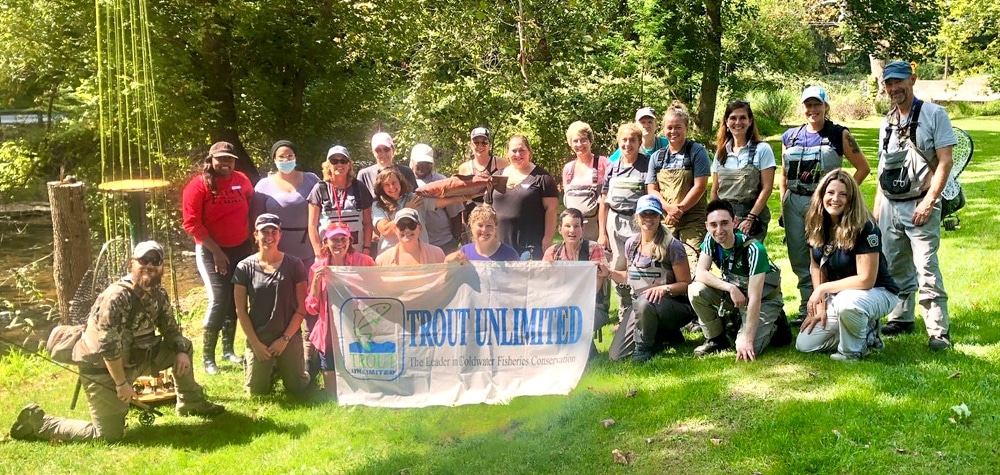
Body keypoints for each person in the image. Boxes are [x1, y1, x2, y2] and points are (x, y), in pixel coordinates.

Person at [9, 241, 224, 442]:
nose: (149, 265)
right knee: (107, 435)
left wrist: (181, 350)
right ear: (132, 264)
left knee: (184, 345)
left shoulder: (158, 294)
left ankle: (190, 402)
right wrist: (122, 384)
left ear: (162, 267)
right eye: (143, 260)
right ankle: (39, 422)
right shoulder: (116, 297)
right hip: (103, 367)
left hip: (138, 358)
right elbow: (108, 348)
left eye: (155, 261)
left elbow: (171, 330)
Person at [873, 61, 957, 350]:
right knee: (894, 262)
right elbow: (883, 167)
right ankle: (901, 316)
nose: (894, 88)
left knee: (926, 266)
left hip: (921, 202)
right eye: (889, 83)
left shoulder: (935, 114)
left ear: (912, 79)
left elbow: (945, 161)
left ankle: (938, 330)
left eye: (899, 82)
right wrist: (876, 210)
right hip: (890, 204)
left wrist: (929, 201)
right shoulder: (888, 121)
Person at [780, 86, 870, 324]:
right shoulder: (790, 136)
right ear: (803, 108)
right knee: (799, 256)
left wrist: (843, 196)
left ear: (825, 107)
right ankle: (805, 306)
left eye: (817, 105)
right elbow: (783, 174)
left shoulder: (838, 134)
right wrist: (783, 203)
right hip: (794, 202)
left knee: (823, 254)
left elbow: (863, 168)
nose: (812, 110)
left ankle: (830, 304)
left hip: (824, 205)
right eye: (808, 105)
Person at [795, 170, 899, 360]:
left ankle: (851, 353)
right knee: (805, 344)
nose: (836, 199)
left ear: (851, 199)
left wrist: (823, 289)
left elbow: (866, 280)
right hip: (839, 295)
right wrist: (820, 307)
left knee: (847, 303)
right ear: (821, 195)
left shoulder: (865, 227)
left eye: (843, 194)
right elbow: (816, 265)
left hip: (877, 292)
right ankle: (866, 334)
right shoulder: (816, 223)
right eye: (831, 192)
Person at [181, 141, 254, 375]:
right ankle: (208, 358)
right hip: (211, 250)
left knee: (236, 298)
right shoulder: (198, 186)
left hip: (240, 248)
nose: (225, 163)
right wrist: (217, 252)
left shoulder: (242, 180)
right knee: (219, 298)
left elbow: (250, 206)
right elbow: (191, 223)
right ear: (211, 161)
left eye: (229, 159)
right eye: (220, 159)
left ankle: (228, 350)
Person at [253, 141, 324, 378]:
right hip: (278, 252)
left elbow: (322, 210)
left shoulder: (312, 179)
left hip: (308, 249)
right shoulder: (263, 186)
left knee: (312, 301)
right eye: (281, 156)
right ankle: (279, 356)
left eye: (290, 155)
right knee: (283, 303)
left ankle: (313, 354)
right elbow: (256, 221)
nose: (286, 159)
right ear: (274, 159)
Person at [688, 200, 791, 361]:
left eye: (724, 223)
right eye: (713, 225)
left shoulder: (755, 249)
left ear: (734, 222)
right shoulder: (710, 239)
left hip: (763, 300)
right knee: (695, 290)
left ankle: (776, 324)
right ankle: (716, 338)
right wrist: (730, 288)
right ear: (707, 226)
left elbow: (755, 297)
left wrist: (747, 340)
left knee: (746, 351)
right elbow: (700, 273)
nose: (719, 230)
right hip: (737, 294)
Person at [604, 197, 696, 363]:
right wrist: (609, 272)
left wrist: (664, 289)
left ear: (660, 217)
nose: (648, 218)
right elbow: (630, 277)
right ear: (636, 217)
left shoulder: (672, 245)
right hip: (641, 307)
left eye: (653, 214)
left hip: (672, 305)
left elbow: (686, 284)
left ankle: (644, 347)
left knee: (646, 300)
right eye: (644, 214)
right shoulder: (631, 244)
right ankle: (665, 335)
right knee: (616, 355)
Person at [233, 214, 311, 395]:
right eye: (264, 232)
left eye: (273, 232)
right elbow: (241, 311)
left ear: (280, 234)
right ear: (255, 235)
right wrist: (255, 343)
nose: (269, 236)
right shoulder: (244, 267)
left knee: (297, 388)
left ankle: (306, 361)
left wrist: (284, 339)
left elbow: (301, 308)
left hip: (288, 336)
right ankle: (270, 367)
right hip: (259, 337)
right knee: (256, 392)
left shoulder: (295, 264)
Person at [305, 223, 376, 397]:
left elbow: (379, 286)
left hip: (358, 327)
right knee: (332, 393)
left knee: (362, 386)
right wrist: (316, 282)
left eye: (343, 239)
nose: (339, 243)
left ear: (350, 241)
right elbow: (311, 308)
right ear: (325, 242)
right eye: (334, 239)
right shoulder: (317, 268)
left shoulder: (363, 262)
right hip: (329, 332)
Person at [645, 101, 711, 267]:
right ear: (663, 129)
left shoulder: (697, 151)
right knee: (664, 263)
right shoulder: (657, 157)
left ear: (686, 128)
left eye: (678, 127)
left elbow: (700, 186)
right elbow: (651, 189)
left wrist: (680, 209)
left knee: (692, 263)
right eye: (669, 127)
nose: (673, 131)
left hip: (692, 219)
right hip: (666, 219)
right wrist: (669, 209)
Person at [598, 123, 650, 319]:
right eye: (624, 140)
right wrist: (602, 232)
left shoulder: (647, 164)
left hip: (638, 221)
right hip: (615, 220)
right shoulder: (613, 168)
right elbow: (603, 201)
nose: (628, 144)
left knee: (639, 265)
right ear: (618, 142)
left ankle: (642, 309)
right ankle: (624, 312)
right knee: (618, 264)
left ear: (639, 142)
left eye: (632, 140)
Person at [543, 208, 612, 347]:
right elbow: (543, 285)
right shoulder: (552, 253)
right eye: (567, 226)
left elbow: (595, 288)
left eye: (576, 226)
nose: (572, 231)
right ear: (560, 229)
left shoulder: (594, 249)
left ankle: (585, 354)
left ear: (583, 229)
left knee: (573, 320)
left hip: (593, 306)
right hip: (559, 306)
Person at [710, 100, 777, 242]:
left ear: (750, 121)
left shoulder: (762, 150)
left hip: (751, 216)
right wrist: (713, 218)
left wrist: (750, 218)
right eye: (733, 118)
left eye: (742, 118)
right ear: (726, 122)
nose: (738, 122)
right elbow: (715, 190)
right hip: (725, 217)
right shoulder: (721, 153)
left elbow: (767, 188)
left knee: (748, 259)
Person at [372, 167, 473, 254]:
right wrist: (407, 210)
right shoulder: (378, 205)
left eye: (394, 182)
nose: (392, 187)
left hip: (420, 254)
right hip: (391, 256)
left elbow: (441, 202)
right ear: (381, 187)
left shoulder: (414, 198)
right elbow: (385, 231)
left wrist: (465, 197)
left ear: (400, 182)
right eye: (386, 184)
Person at [490, 135, 558, 260]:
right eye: (514, 151)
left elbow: (552, 209)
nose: (518, 154)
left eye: (522, 150)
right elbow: (487, 208)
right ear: (507, 153)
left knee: (526, 279)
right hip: (500, 247)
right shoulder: (497, 177)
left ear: (529, 152)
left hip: (529, 247)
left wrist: (548, 238)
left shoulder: (542, 178)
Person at [307, 145, 374, 256]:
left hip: (356, 252)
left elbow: (367, 223)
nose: (339, 164)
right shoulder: (319, 188)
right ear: (328, 165)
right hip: (329, 253)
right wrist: (319, 253)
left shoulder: (359, 187)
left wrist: (367, 249)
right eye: (334, 161)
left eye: (343, 161)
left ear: (349, 165)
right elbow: (312, 225)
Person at [561, 121, 611, 241]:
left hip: (597, 229)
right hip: (573, 231)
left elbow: (607, 202)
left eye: (583, 140)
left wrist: (603, 234)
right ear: (570, 144)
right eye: (575, 141)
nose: (580, 144)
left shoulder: (603, 163)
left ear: (590, 141)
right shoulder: (568, 169)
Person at [411, 143, 464, 254]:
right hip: (415, 243)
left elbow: (456, 212)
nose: (423, 167)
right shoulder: (404, 181)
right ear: (412, 161)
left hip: (443, 242)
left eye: (427, 163)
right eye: (420, 163)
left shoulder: (442, 181)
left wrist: (456, 239)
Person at [357, 131, 418, 201]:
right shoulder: (364, 175)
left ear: (393, 150)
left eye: (386, 149)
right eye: (378, 150)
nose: (383, 153)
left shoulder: (406, 172)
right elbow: (360, 202)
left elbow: (415, 199)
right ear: (373, 152)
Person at [375, 208, 447, 266]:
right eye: (401, 225)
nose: (407, 229)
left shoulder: (437, 254)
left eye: (411, 225)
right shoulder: (382, 260)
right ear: (395, 229)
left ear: (420, 228)